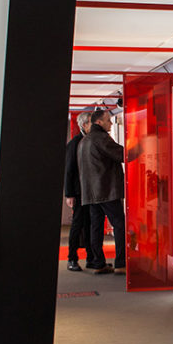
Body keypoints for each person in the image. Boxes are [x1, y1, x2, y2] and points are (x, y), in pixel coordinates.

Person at [77, 107, 126, 275]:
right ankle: (121, 263)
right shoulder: (101, 138)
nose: (111, 123)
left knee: (96, 228)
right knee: (119, 225)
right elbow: (122, 154)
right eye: (108, 120)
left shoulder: (84, 141)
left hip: (91, 192)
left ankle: (98, 263)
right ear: (99, 122)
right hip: (106, 190)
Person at [63, 112, 93, 271]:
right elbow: (69, 170)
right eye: (92, 122)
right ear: (84, 125)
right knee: (78, 224)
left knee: (89, 224)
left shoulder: (89, 141)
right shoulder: (75, 143)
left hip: (90, 191)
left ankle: (91, 258)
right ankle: (72, 259)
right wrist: (69, 194)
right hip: (79, 192)